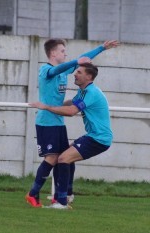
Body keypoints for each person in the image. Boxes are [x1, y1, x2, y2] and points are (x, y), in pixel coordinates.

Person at [25, 38, 119, 207]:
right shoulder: (46, 69)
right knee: (54, 158)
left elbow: (83, 60)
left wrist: (101, 48)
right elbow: (67, 66)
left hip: (59, 122)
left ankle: (63, 196)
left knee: (65, 157)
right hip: (47, 122)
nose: (66, 53)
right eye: (62, 51)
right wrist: (76, 61)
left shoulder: (70, 77)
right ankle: (34, 193)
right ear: (53, 53)